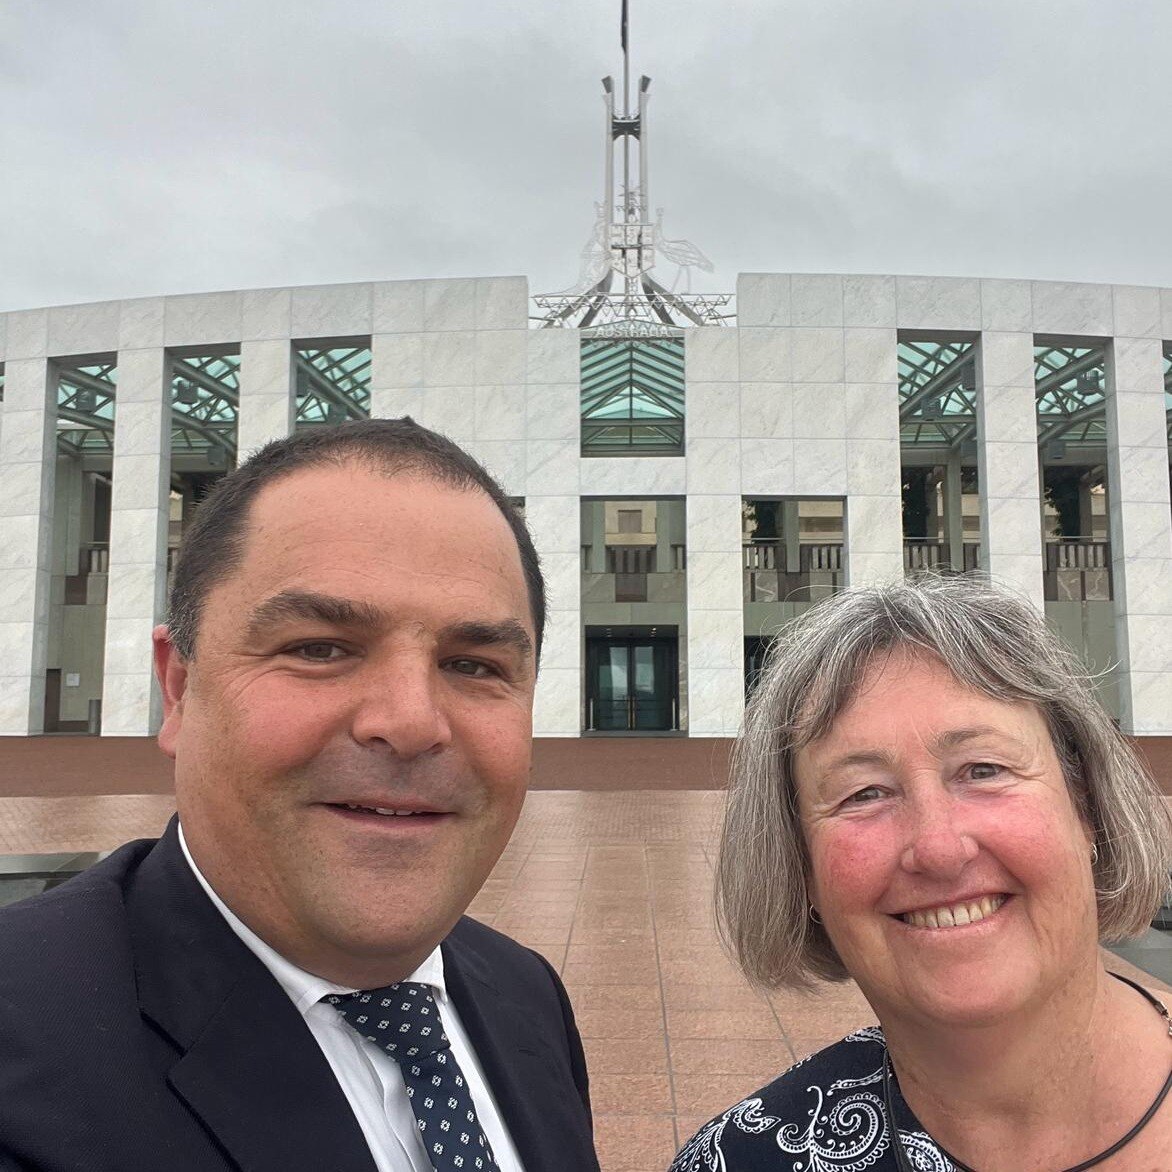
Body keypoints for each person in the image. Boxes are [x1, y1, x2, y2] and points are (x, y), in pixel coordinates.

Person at [0, 419, 600, 1172]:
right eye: (319, 649)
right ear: (178, 688)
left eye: (473, 664)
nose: (411, 723)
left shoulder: (524, 993)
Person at [672, 575, 1172, 1172]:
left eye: (982, 769)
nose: (938, 849)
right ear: (800, 866)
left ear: (1085, 805)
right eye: (864, 794)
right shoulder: (741, 1161)